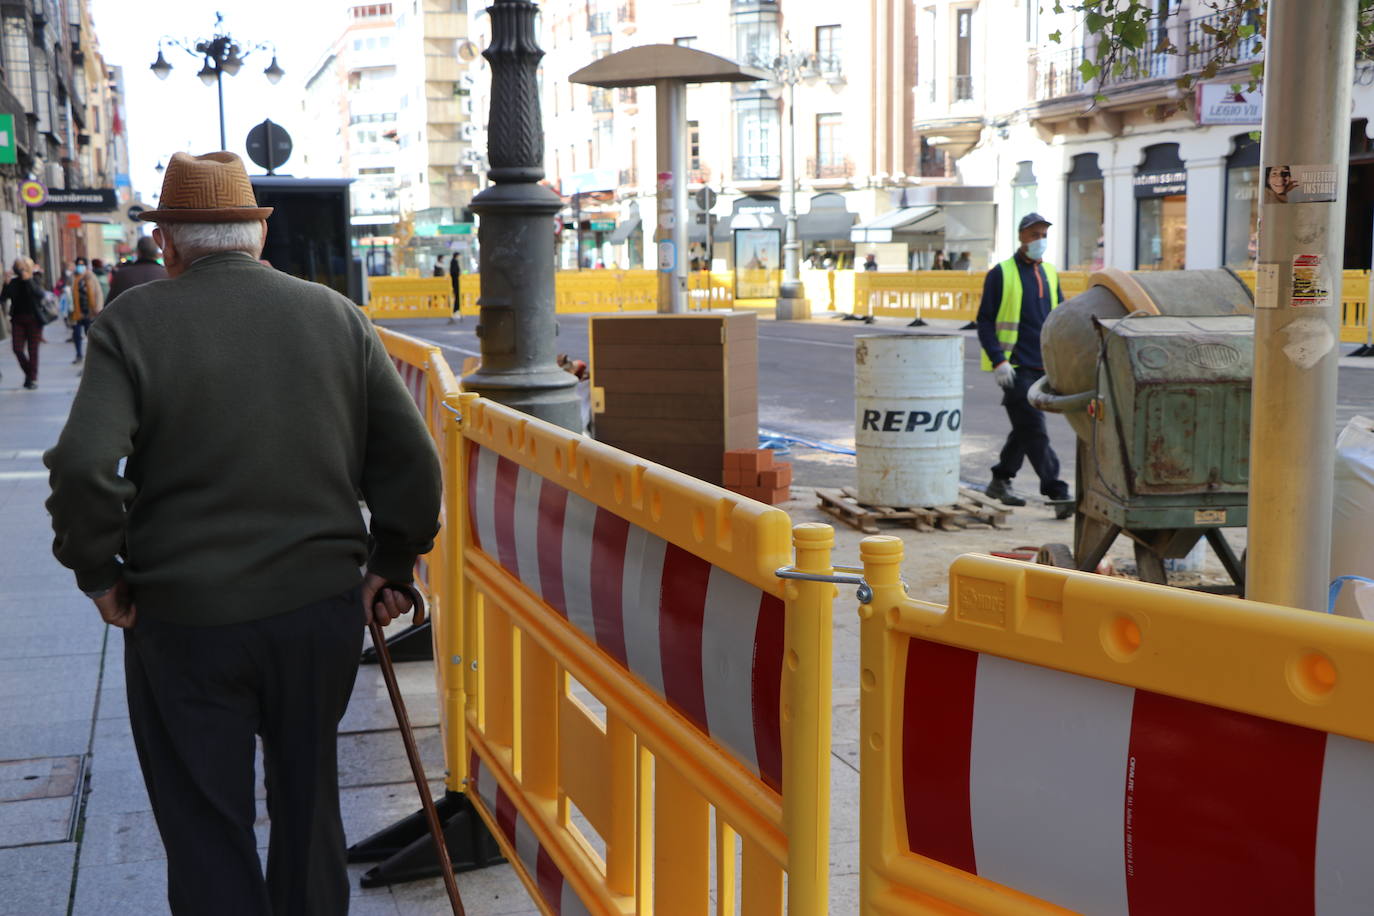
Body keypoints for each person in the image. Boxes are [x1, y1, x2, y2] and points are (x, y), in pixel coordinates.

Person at [44, 151, 442, 915]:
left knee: (204, 824)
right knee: (308, 805)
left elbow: (87, 466)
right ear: (257, 237)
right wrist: (390, 561)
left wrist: (100, 573)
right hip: (318, 613)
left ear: (169, 245)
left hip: (185, 623)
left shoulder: (134, 321)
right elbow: (412, 462)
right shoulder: (336, 316)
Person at [976, 212, 1071, 516]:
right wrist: (998, 360)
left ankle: (1000, 479)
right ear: (1021, 237)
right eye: (1034, 235)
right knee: (1034, 428)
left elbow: (1059, 318)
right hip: (1015, 368)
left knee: (1024, 430)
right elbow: (985, 321)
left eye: (1044, 235)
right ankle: (1057, 492)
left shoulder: (1050, 273)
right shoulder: (1001, 273)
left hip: (1044, 366)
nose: (1039, 241)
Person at [4, 259, 43, 389]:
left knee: (33, 351)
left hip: (33, 320)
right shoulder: (13, 282)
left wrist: (28, 280)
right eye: (18, 267)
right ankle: (30, 374)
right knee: (17, 349)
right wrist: (5, 283)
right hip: (17, 320)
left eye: (23, 267)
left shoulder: (35, 279)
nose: (20, 270)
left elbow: (39, 295)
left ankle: (31, 379)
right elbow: (3, 298)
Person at [106, 235, 170, 305]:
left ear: (138, 252)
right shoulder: (167, 275)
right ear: (157, 254)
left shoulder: (121, 275)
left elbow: (109, 306)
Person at [69, 257, 103, 364]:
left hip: (89, 311)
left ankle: (91, 356)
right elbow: (68, 293)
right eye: (78, 264)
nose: (80, 266)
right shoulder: (73, 277)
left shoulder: (91, 276)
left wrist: (98, 308)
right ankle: (79, 354)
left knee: (90, 334)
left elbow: (98, 292)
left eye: (82, 264)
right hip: (77, 311)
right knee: (76, 334)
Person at [448, 251, 462, 320]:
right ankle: (456, 309)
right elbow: (454, 272)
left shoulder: (453, 261)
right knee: (457, 295)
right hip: (456, 282)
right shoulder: (454, 262)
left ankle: (456, 309)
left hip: (455, 281)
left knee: (457, 296)